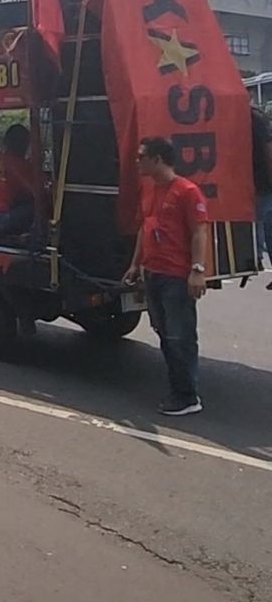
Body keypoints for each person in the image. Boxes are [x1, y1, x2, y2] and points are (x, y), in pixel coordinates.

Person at [123, 136, 208, 417]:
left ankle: (187, 395)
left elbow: (199, 232)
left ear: (157, 159)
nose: (138, 162)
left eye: (141, 157)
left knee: (179, 335)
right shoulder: (149, 190)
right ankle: (178, 388)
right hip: (153, 273)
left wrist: (197, 270)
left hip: (175, 275)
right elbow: (144, 229)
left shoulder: (187, 191)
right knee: (164, 332)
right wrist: (136, 265)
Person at [251, 105, 272, 271]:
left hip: (258, 181)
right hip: (260, 181)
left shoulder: (253, 118)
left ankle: (255, 256)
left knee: (261, 222)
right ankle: (255, 256)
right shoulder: (256, 117)